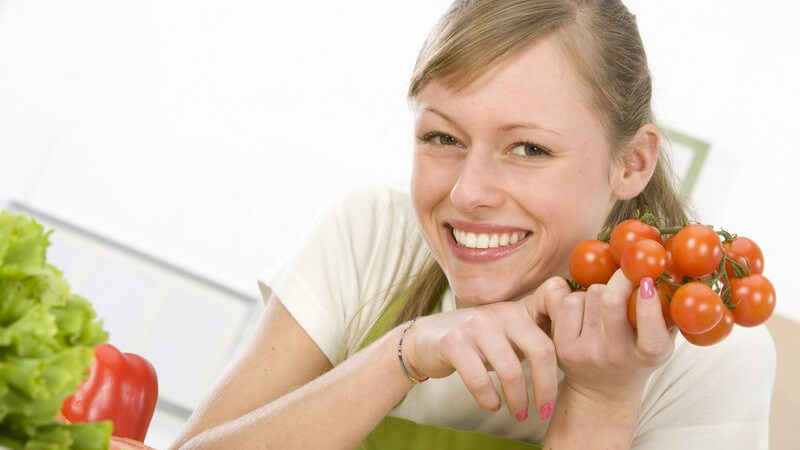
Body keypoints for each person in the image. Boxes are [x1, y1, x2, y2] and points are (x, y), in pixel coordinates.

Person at [171, 0, 776, 448]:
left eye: (528, 149)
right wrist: (401, 355)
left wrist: (599, 399)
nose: (468, 192)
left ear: (632, 163)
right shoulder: (371, 238)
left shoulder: (710, 353)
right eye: (442, 137)